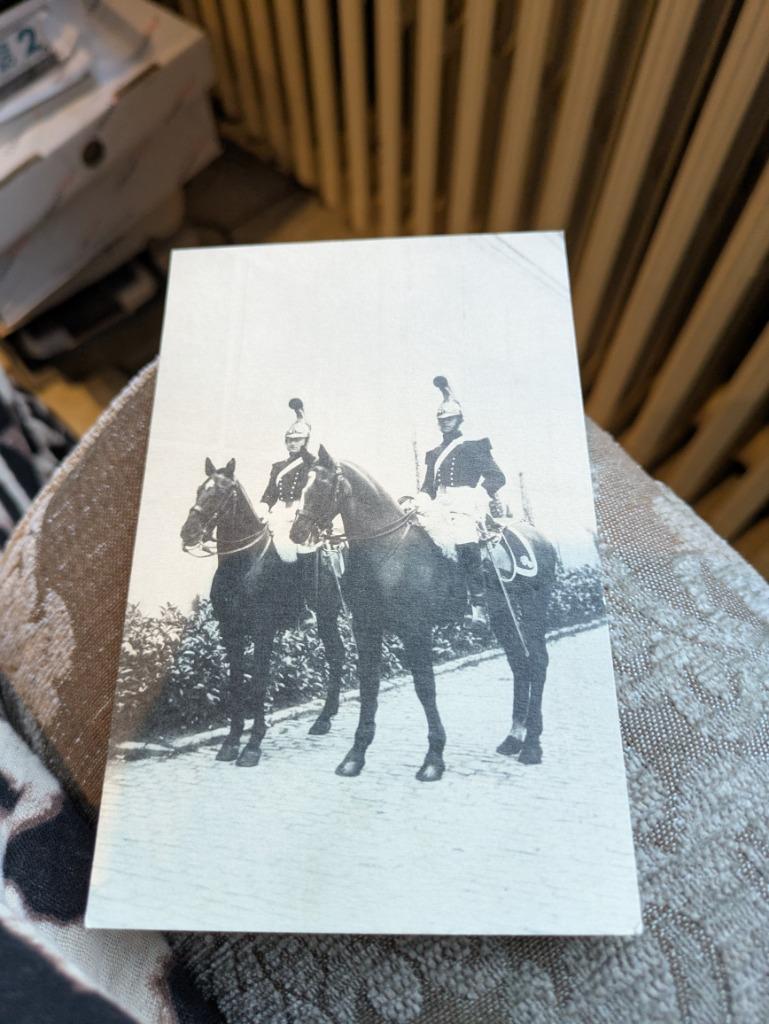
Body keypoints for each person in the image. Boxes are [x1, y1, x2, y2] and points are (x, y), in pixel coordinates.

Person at [420, 376, 506, 628]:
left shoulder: (473, 447)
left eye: (449, 419)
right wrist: (420, 499)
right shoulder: (434, 453)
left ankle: (478, 604)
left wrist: (479, 494)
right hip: (442, 502)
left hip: (467, 501)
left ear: (459, 419)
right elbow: (428, 486)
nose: (445, 424)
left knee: (462, 537)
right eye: (442, 420)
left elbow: (497, 476)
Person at [258, 398, 317, 626]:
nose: (292, 443)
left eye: (297, 440)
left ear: (305, 441)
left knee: (293, 548)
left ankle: (302, 605)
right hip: (279, 511)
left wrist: (302, 417)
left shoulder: (310, 463)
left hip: (300, 512)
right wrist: (263, 506)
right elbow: (269, 493)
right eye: (290, 440)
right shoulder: (278, 467)